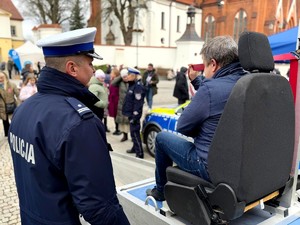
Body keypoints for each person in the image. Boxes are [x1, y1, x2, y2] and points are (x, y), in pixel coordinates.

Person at [8, 27, 130, 225]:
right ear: (72, 68)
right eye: (90, 64)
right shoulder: (79, 123)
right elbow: (99, 206)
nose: (92, 70)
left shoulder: (24, 109)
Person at [146, 35, 248, 201]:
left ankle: (161, 191)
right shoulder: (248, 82)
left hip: (208, 166)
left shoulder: (210, 89)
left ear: (213, 64)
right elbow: (219, 96)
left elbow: (183, 127)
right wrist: (198, 81)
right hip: (237, 165)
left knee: (162, 138)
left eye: (205, 65)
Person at [122, 67, 145, 158]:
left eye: (129, 75)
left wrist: (135, 116)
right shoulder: (132, 85)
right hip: (130, 113)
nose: (127, 77)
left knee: (135, 133)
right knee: (133, 132)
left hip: (134, 114)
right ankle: (135, 148)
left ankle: (139, 153)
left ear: (133, 76)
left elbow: (138, 103)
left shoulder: (138, 86)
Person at [111, 68, 130, 142]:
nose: (125, 78)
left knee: (129, 122)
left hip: (129, 104)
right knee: (122, 122)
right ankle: (125, 136)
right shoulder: (120, 82)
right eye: (124, 77)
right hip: (122, 104)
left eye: (126, 76)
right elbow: (113, 83)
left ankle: (132, 136)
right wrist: (120, 76)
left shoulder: (130, 82)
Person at [0, 71, 19, 137]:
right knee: (5, 121)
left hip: (12, 105)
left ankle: (16, 133)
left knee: (14, 120)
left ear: (5, 77)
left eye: (2, 77)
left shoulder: (12, 85)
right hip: (2, 107)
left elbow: (18, 95)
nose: (0, 79)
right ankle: (7, 135)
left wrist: (19, 105)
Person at [108, 67, 122, 135]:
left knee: (116, 115)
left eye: (112, 73)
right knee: (114, 115)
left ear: (115, 74)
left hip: (115, 100)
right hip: (112, 100)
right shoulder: (112, 80)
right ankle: (117, 128)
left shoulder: (117, 81)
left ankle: (118, 129)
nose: (110, 74)